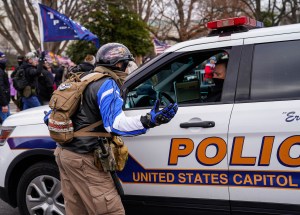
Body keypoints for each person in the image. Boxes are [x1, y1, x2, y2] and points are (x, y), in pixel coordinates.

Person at [52, 43, 178, 215]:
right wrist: (149, 121)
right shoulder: (107, 84)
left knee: (77, 210)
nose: (127, 69)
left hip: (64, 154)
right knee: (109, 210)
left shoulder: (83, 78)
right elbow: (116, 124)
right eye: (126, 64)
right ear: (119, 64)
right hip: (84, 159)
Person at [0, 52, 10, 123]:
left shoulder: (2, 70)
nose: (4, 59)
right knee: (6, 123)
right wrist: (4, 104)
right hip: (2, 102)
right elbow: (0, 88)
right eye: (2, 58)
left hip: (4, 101)